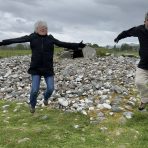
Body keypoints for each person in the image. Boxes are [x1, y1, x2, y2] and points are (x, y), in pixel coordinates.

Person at [0, 20, 86, 113]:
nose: (44, 29)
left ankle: (45, 98)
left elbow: (63, 44)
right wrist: (3, 42)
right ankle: (32, 105)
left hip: (48, 69)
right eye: (41, 28)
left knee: (50, 89)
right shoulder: (32, 37)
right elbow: (17, 39)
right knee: (34, 90)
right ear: (36, 29)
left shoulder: (50, 39)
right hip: (35, 69)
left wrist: (78, 46)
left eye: (45, 28)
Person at [114, 12, 148, 110]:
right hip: (144, 64)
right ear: (145, 21)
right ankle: (145, 99)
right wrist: (118, 37)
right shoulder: (139, 29)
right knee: (139, 82)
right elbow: (127, 32)